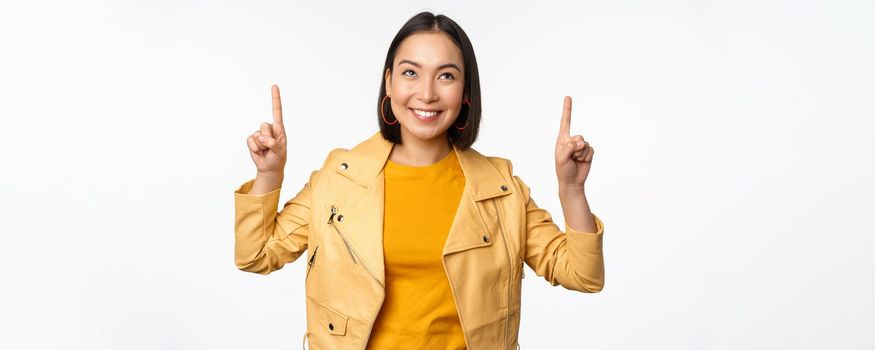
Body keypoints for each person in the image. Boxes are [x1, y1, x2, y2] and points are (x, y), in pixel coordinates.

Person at [234, 11, 604, 350]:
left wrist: (571, 189)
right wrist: (269, 174)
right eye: (411, 72)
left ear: (465, 93)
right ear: (389, 83)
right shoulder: (339, 177)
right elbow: (256, 254)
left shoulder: (500, 187)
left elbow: (582, 275)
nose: (427, 93)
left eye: (446, 76)